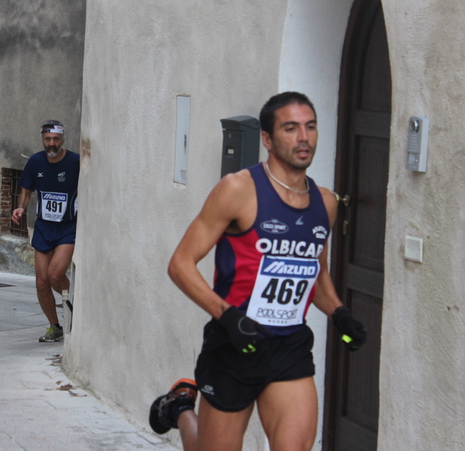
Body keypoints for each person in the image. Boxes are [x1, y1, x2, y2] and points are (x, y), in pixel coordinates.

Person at [148, 92, 367, 451]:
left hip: (289, 348)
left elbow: (316, 274)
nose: (304, 137)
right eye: (291, 128)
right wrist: (227, 316)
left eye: (310, 127)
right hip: (234, 343)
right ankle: (182, 410)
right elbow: (181, 264)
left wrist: (340, 314)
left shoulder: (325, 204)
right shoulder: (238, 190)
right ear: (267, 139)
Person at [11, 120, 79, 342]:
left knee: (55, 275)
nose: (51, 143)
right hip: (44, 227)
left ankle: (77, 306)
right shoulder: (35, 161)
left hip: (68, 227)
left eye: (56, 139)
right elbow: (26, 190)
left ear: (63, 139)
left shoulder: (75, 161)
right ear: (43, 139)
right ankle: (55, 326)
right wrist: (21, 207)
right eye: (47, 139)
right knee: (41, 282)